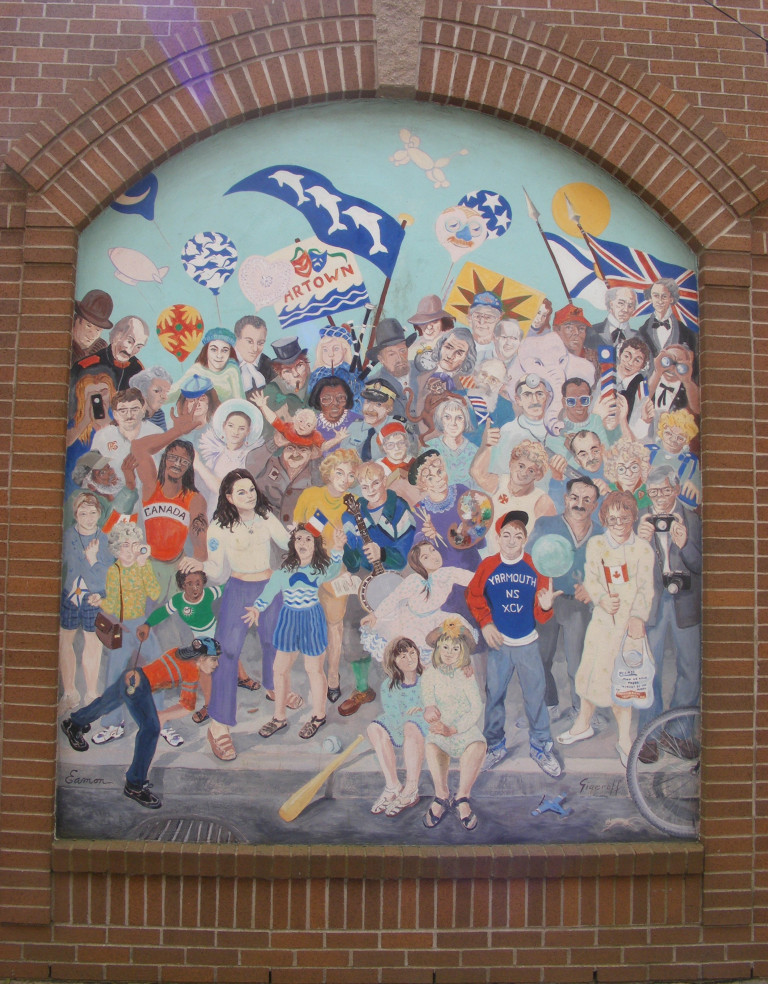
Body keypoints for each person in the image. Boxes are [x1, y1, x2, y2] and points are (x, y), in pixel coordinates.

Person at [178, 470, 292, 761]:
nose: (250, 495)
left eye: (251, 489)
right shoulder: (219, 526)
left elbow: (286, 542)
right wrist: (199, 565)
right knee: (226, 654)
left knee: (274, 642)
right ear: (229, 497)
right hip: (238, 590)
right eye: (241, 492)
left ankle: (274, 687)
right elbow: (218, 573)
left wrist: (305, 533)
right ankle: (219, 725)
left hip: (269, 587)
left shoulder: (265, 516)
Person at [61, 638, 221, 809]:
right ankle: (134, 785)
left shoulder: (178, 652)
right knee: (151, 729)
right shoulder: (192, 672)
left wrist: (162, 715)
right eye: (213, 659)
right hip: (139, 687)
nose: (216, 664)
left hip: (131, 676)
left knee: (106, 703)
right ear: (201, 658)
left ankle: (74, 723)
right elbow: (187, 706)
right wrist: (163, 716)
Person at [556, 490, 655, 766]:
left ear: (633, 517)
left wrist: (638, 617)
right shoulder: (597, 544)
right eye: (612, 519)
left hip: (628, 628)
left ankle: (624, 739)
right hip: (602, 623)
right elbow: (592, 579)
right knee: (589, 675)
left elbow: (646, 589)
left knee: (623, 682)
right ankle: (582, 724)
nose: (619, 524)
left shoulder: (643, 550)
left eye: (624, 518)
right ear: (605, 520)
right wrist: (601, 598)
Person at [466, 510, 561, 778]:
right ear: (498, 538)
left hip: (528, 642)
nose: (511, 541)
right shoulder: (488, 566)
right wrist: (486, 623)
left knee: (535, 696)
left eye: (517, 536)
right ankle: (495, 745)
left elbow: (542, 614)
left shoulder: (535, 565)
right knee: (494, 695)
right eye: (506, 535)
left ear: (525, 539)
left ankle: (541, 746)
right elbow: (473, 596)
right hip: (499, 644)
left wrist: (546, 606)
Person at [246, 524, 345, 740]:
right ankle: (279, 717)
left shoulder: (319, 569)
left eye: (308, 539)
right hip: (289, 621)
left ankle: (318, 716)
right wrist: (256, 608)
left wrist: (338, 547)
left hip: (311, 620)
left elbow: (334, 570)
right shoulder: (283, 572)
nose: (302, 543)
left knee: (314, 669)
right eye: (299, 538)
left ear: (315, 545)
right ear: (293, 544)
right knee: (279, 669)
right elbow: (269, 592)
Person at [338, 461, 416, 717]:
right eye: (364, 486)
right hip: (363, 577)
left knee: (397, 628)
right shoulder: (351, 515)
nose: (370, 489)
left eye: (375, 483)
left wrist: (382, 553)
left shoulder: (399, 509)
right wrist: (346, 548)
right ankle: (362, 688)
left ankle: (407, 686)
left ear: (384, 481)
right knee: (352, 624)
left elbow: (404, 555)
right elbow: (351, 564)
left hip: (394, 574)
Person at [635, 465, 701, 761]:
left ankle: (679, 732)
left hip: (686, 603)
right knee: (650, 669)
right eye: (653, 492)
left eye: (664, 490)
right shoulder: (639, 518)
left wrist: (684, 544)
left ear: (676, 488)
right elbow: (626, 565)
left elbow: (701, 566)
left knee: (690, 669)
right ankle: (648, 735)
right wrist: (638, 542)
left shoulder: (693, 519)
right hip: (652, 603)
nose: (659, 498)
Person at [527, 477, 603, 719]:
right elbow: (527, 561)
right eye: (575, 498)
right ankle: (548, 706)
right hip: (545, 601)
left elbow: (609, 572)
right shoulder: (545, 525)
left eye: (587, 500)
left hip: (577, 605)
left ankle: (582, 711)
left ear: (595, 505)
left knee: (578, 662)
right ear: (565, 499)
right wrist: (538, 595)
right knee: (540, 658)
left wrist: (593, 588)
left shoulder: (601, 535)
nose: (580, 504)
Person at [293, 448, 361, 704]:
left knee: (335, 626)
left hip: (336, 571)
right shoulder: (310, 495)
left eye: (350, 475)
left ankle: (333, 676)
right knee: (310, 625)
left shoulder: (353, 502)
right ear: (329, 472)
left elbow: (358, 542)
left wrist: (346, 542)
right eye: (339, 472)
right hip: (308, 569)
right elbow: (297, 532)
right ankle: (315, 677)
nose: (345, 479)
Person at [86, 522, 162, 745]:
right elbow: (112, 603)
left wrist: (144, 565)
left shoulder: (143, 565)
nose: (130, 550)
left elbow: (155, 594)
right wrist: (100, 601)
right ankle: (113, 724)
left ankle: (162, 720)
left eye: (134, 544)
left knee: (157, 671)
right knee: (114, 676)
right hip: (122, 627)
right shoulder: (113, 571)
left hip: (141, 625)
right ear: (116, 549)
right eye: (125, 545)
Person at [360, 540, 474, 665]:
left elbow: (473, 579)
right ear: (418, 564)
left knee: (457, 627)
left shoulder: (448, 573)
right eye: (425, 557)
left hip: (435, 616)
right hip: (413, 621)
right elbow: (394, 598)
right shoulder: (414, 581)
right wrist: (375, 615)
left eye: (433, 550)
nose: (433, 556)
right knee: (417, 651)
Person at [420, 618, 486, 830]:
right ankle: (441, 795)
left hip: (461, 728)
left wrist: (455, 729)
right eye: (445, 647)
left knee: (478, 746)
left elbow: (476, 707)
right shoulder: (431, 672)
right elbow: (427, 695)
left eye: (455, 649)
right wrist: (429, 708)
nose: (449, 653)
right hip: (442, 726)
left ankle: (462, 798)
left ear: (462, 652)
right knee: (432, 746)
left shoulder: (466, 674)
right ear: (438, 649)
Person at [59, 492, 112, 712]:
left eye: (92, 513)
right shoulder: (68, 536)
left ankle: (91, 693)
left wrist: (93, 559)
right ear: (75, 515)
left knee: (93, 643)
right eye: (83, 513)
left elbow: (109, 576)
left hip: (94, 598)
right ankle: (70, 691)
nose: (88, 518)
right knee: (65, 641)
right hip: (70, 596)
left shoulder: (105, 540)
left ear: (99, 513)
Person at [367, 637, 428, 817]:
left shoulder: (427, 679)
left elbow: (437, 705)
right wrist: (407, 718)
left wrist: (422, 710)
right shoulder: (389, 686)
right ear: (394, 662)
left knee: (411, 726)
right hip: (401, 724)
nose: (410, 659)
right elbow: (393, 715)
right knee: (374, 728)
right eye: (402, 656)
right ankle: (392, 786)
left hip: (424, 724)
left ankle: (411, 788)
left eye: (412, 653)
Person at [471, 435, 556, 546]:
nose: (524, 473)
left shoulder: (542, 501)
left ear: (538, 475)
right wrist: (487, 445)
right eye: (521, 466)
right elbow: (476, 473)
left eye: (531, 470)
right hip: (491, 553)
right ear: (511, 463)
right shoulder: (500, 483)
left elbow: (549, 538)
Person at [90, 387, 162, 482]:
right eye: (123, 411)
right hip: (115, 489)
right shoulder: (103, 436)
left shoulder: (156, 433)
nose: (129, 415)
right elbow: (93, 473)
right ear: (115, 414)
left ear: (143, 410)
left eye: (134, 409)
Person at [168, 328, 245, 405]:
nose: (219, 355)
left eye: (225, 350)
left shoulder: (232, 370)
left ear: (230, 352)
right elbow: (174, 391)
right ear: (206, 350)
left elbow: (240, 402)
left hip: (228, 412)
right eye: (214, 350)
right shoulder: (197, 370)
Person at [636, 278, 698, 374]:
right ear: (650, 298)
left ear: (671, 299)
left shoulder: (687, 333)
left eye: (664, 296)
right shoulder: (641, 331)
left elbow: (694, 369)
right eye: (656, 296)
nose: (660, 301)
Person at [73, 315, 149, 392]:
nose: (130, 350)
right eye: (129, 341)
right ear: (116, 335)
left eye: (138, 347)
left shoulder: (139, 370)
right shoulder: (86, 366)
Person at [425, 397, 476, 487]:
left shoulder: (475, 452)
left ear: (465, 421)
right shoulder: (428, 448)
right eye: (447, 417)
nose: (453, 423)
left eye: (459, 418)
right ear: (441, 419)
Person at [71, 288, 113, 363]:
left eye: (98, 329)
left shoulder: (101, 350)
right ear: (77, 320)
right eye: (88, 326)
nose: (92, 335)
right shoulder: (62, 340)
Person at [233, 314, 273, 393]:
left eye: (260, 343)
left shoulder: (266, 363)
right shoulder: (224, 361)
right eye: (249, 342)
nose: (255, 349)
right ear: (237, 339)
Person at [466, 290, 504, 363]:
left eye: (488, 317)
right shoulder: (460, 343)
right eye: (478, 316)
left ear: (498, 320)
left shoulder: (501, 350)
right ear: (470, 318)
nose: (482, 322)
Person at [131, 366, 173, 431]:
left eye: (166, 392)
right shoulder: (130, 414)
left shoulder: (159, 414)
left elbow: (163, 435)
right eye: (157, 391)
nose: (164, 397)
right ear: (143, 391)